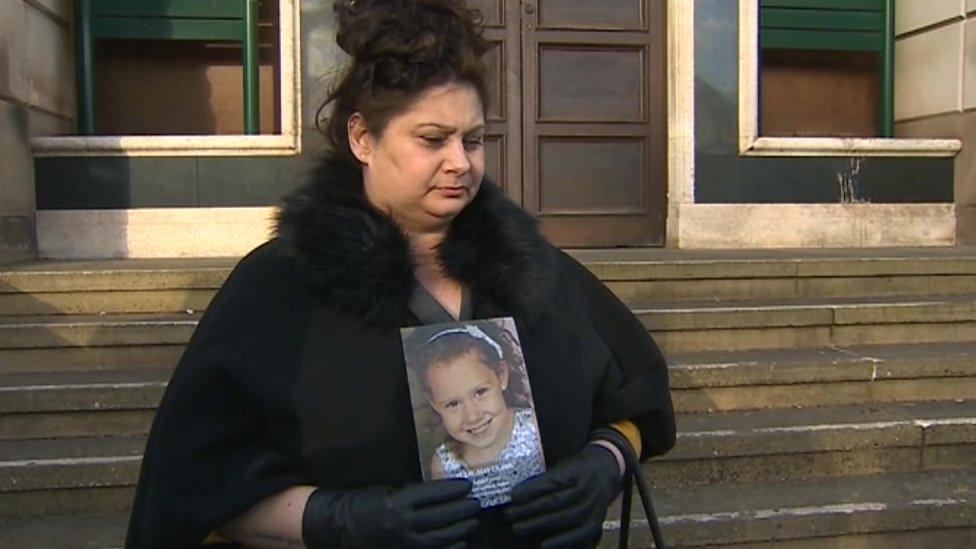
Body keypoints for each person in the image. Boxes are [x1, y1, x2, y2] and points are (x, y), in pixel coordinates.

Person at [125, 0, 675, 547]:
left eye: (474, 140)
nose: (460, 162)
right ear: (363, 139)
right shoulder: (276, 290)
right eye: (433, 140)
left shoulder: (539, 273)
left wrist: (604, 464)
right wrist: (337, 519)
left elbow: (638, 400)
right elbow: (192, 488)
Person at [406, 322, 546, 507]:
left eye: (480, 392)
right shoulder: (443, 465)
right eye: (453, 404)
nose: (472, 416)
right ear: (434, 404)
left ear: (501, 376)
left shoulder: (535, 428)